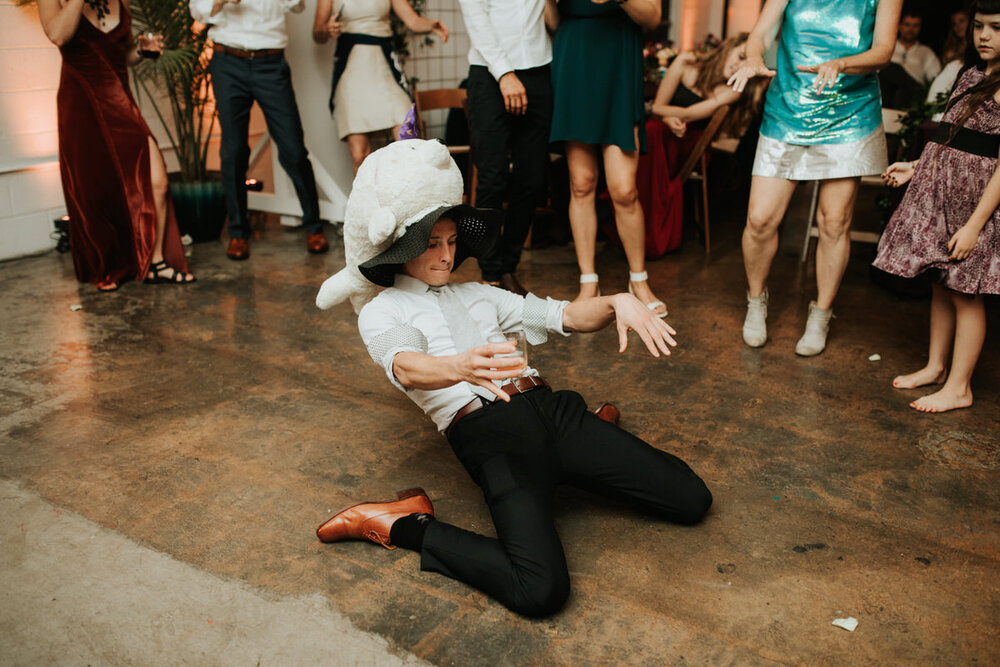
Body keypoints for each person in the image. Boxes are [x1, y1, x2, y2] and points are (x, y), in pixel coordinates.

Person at [312, 138, 711, 618]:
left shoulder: (480, 292)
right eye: (432, 243)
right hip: (490, 435)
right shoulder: (385, 310)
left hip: (551, 410)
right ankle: (404, 525)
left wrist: (615, 302)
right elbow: (405, 366)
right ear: (403, 248)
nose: (445, 255)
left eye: (452, 242)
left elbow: (564, 316)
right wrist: (459, 367)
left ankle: (586, 444)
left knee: (692, 500)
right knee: (539, 590)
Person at [728, 0, 902, 356]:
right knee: (760, 219)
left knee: (834, 222)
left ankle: (821, 312)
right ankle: (756, 300)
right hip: (787, 109)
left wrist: (842, 63)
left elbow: (884, 51)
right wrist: (753, 56)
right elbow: (760, 33)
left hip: (849, 113)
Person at [873, 0, 1000, 414]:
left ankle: (960, 386)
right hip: (944, 195)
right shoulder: (971, 74)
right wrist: (915, 166)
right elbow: (952, 138)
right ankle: (936, 366)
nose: (984, 36)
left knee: (966, 292)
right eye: (980, 26)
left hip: (977, 204)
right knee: (940, 285)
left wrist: (976, 225)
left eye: (996, 28)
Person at [39, 0, 195, 291]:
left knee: (157, 181)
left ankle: (156, 262)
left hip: (120, 102)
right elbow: (59, 35)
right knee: (96, 190)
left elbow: (122, 55)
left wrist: (142, 50)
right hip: (81, 103)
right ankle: (108, 265)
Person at [550, 0, 668, 318]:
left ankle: (639, 281)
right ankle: (589, 282)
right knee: (582, 183)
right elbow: (551, 22)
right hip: (574, 61)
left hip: (618, 64)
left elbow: (653, 17)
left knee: (624, 190)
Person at [190, 0, 329, 261]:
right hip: (227, 61)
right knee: (233, 151)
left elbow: (298, 6)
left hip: (271, 63)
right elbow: (197, 10)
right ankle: (238, 232)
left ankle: (314, 227)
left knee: (293, 149)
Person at [457, 0, 559, 295]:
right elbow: (478, 22)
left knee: (532, 176)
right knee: (492, 176)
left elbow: (554, 20)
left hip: (540, 70)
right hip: (489, 74)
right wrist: (504, 74)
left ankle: (507, 268)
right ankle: (490, 273)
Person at [312, 0, 449, 174]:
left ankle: (410, 198)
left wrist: (432, 25)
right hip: (351, 69)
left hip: (384, 65)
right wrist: (327, 29)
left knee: (409, 141)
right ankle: (368, 200)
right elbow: (317, 33)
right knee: (359, 155)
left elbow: (412, 20)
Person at [651, 33, 765, 145]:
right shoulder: (687, 60)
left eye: (745, 67)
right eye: (740, 57)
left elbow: (687, 114)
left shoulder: (733, 91)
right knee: (653, 129)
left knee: (654, 131)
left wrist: (646, 108)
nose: (739, 67)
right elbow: (659, 105)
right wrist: (666, 119)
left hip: (690, 140)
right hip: (662, 127)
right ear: (728, 47)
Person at [891, 7, 942, 89]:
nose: (911, 29)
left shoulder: (926, 52)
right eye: (907, 25)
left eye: (915, 26)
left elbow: (936, 78)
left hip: (913, 92)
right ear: (899, 26)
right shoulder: (889, 47)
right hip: (888, 90)